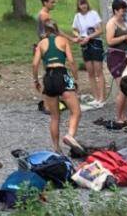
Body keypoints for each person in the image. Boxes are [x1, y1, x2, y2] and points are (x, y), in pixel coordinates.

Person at [31, 20, 84, 154]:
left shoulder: (41, 44)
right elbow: (71, 61)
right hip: (62, 75)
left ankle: (56, 148)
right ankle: (70, 136)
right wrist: (76, 79)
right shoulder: (63, 41)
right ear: (56, 30)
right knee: (76, 111)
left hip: (48, 77)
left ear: (45, 32)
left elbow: (35, 64)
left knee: (55, 116)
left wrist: (36, 80)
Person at [105, 0, 127, 120]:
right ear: (115, 10)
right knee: (123, 89)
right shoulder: (111, 23)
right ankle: (119, 117)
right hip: (114, 58)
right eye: (122, 11)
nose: (124, 13)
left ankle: (125, 116)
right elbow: (109, 41)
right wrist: (124, 37)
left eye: (125, 11)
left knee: (126, 88)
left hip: (124, 56)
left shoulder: (122, 22)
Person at [72, 0, 106, 106]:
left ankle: (102, 97)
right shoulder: (77, 17)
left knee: (98, 71)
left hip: (95, 42)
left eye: (84, 3)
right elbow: (75, 30)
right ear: (78, 6)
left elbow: (100, 30)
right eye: (81, 4)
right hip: (84, 44)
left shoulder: (93, 14)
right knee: (90, 71)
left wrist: (89, 37)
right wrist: (79, 36)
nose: (83, 6)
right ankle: (96, 97)